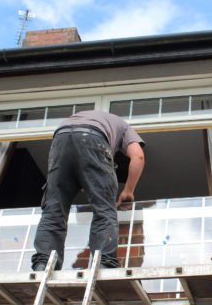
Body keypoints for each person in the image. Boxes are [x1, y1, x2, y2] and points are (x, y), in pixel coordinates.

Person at [31, 110, 145, 271]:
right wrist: (128, 190)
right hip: (93, 137)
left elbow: (77, 159)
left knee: (53, 210)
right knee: (104, 208)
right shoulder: (125, 127)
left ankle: (43, 263)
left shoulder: (85, 117)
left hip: (61, 137)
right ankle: (104, 263)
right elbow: (138, 156)